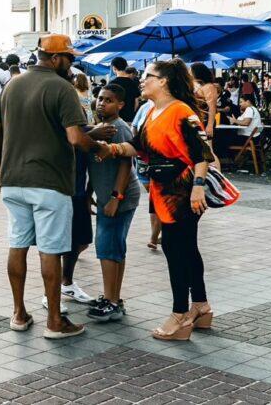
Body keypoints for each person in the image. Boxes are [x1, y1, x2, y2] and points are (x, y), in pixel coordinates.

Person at [0, 34, 100, 340]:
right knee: (50, 251)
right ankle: (54, 321)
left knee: (17, 245)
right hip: (49, 182)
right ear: (56, 58)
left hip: (13, 182)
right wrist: (99, 147)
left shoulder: (13, 85)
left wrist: (2, 170)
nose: (72, 64)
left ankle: (19, 314)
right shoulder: (62, 87)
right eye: (70, 58)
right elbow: (76, 138)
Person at [95, 59, 215, 341]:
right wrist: (109, 148)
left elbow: (202, 153)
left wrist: (198, 187)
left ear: (163, 81)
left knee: (176, 250)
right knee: (186, 249)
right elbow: (137, 148)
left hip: (183, 190)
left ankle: (179, 315)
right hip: (162, 189)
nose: (142, 79)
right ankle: (200, 306)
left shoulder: (181, 110)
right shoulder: (151, 111)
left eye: (148, 75)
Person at [86, 84, 141, 322]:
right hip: (106, 194)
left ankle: (112, 301)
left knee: (107, 247)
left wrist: (115, 198)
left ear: (120, 105)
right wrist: (90, 191)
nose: (102, 103)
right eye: (100, 98)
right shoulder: (100, 129)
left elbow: (125, 163)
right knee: (114, 246)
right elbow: (94, 164)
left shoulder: (119, 129)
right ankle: (113, 297)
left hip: (120, 196)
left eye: (108, 100)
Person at [132, 98, 162, 250]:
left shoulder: (175, 107)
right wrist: (137, 148)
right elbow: (135, 126)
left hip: (162, 162)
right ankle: (156, 233)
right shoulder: (145, 107)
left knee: (156, 198)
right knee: (154, 197)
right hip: (144, 160)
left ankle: (154, 236)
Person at [109, 57, 141, 123]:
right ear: (126, 67)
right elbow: (136, 101)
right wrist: (131, 113)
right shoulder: (132, 82)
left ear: (114, 68)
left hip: (116, 120)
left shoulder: (111, 84)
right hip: (130, 119)